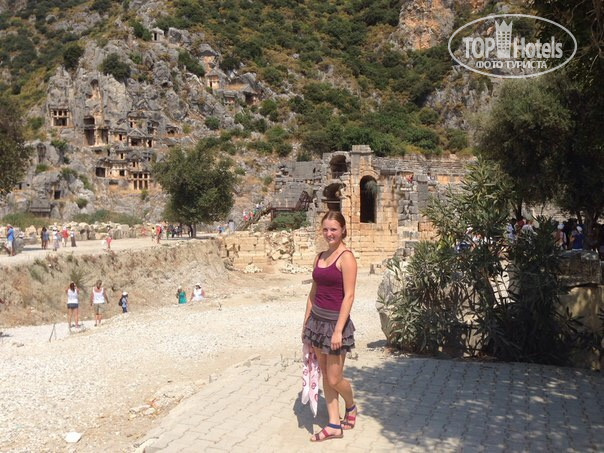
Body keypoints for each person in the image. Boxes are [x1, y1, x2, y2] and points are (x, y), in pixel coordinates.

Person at [302, 211, 357, 442]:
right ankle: (334, 424)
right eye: (325, 229)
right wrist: (306, 323)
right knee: (325, 374)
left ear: (343, 230)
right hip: (317, 323)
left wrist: (338, 330)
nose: (329, 233)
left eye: (333, 229)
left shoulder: (346, 258)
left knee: (335, 378)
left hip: (336, 324)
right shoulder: (319, 257)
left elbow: (349, 296)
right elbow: (313, 293)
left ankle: (351, 405)